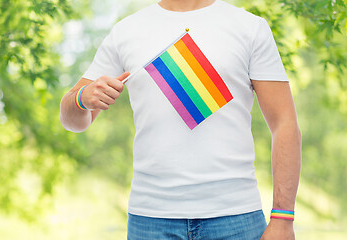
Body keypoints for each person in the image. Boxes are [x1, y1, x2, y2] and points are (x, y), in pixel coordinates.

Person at [60, 0, 301, 239]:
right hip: (150, 219)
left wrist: (282, 218)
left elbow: (284, 123)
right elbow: (72, 120)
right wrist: (82, 98)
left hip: (234, 215)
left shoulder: (250, 27)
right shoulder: (125, 31)